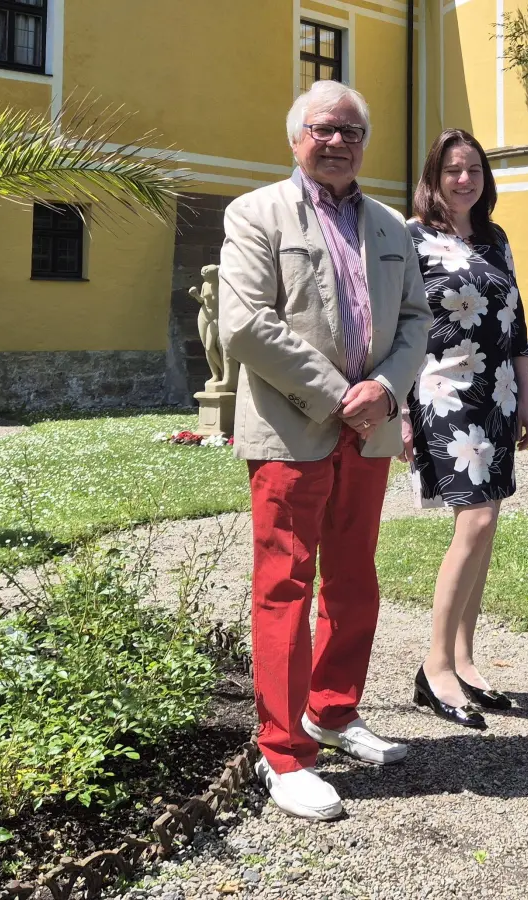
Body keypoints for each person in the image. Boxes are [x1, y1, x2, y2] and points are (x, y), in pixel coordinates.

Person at [219, 80, 429, 821]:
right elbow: (245, 324)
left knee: (353, 580)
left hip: (367, 433)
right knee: (285, 586)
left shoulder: (390, 226)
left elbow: (415, 320)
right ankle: (283, 753)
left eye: (350, 130)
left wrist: (387, 390)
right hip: (292, 430)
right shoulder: (256, 214)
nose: (337, 141)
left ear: (364, 142)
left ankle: (332, 713)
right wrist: (343, 394)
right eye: (323, 129)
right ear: (295, 138)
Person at [401, 129, 528, 730]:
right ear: (435, 175)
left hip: (499, 393)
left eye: (474, 170)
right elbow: (399, 324)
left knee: (487, 525)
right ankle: (434, 668)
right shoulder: (413, 237)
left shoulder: (495, 238)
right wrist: (402, 408)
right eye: (453, 170)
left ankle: (464, 658)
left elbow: (517, 324)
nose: (464, 180)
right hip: (444, 392)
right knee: (474, 518)